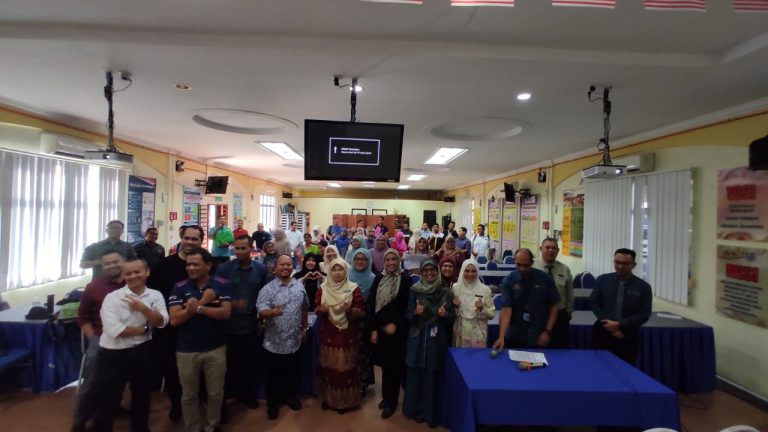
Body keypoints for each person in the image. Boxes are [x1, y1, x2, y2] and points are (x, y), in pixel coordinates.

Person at [91, 258, 168, 432]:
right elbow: (114, 330)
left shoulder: (155, 295)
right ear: (123, 276)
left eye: (137, 271)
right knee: (107, 400)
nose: (133, 276)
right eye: (128, 273)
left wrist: (143, 309)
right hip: (112, 354)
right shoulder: (113, 298)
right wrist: (146, 327)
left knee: (142, 396)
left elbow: (162, 322)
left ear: (147, 272)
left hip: (141, 351)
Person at [169, 247, 232, 432]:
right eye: (188, 264)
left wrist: (196, 308)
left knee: (215, 393)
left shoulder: (222, 283)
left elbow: (225, 313)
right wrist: (204, 303)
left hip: (215, 348)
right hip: (186, 350)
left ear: (208, 265)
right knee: (189, 395)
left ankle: (212, 425)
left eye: (195, 264)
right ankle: (192, 428)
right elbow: (174, 320)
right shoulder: (179, 287)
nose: (190, 268)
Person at [147, 225, 205, 422]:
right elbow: (152, 293)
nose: (189, 242)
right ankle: (176, 404)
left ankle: (198, 402)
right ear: (181, 238)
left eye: (194, 239)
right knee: (172, 369)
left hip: (197, 326)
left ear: (201, 241)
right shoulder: (164, 265)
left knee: (198, 369)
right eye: (186, 238)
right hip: (169, 328)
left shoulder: (206, 264)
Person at [72, 251, 126, 432]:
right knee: (92, 381)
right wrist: (93, 339)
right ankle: (80, 420)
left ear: (123, 262)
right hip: (101, 338)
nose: (112, 266)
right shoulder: (94, 286)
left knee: (124, 378)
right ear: (102, 267)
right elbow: (83, 316)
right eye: (107, 263)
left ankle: (114, 409)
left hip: (129, 338)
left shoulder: (134, 281)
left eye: (115, 262)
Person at [215, 236, 267, 410]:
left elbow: (264, 296)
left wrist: (262, 319)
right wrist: (232, 303)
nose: (239, 252)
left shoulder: (260, 269)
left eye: (243, 248)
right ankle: (230, 393)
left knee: (249, 363)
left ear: (251, 248)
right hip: (227, 326)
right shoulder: (223, 269)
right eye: (236, 248)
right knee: (229, 364)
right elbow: (215, 293)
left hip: (250, 325)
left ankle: (248, 395)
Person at [256, 255, 309, 420]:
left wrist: (305, 328)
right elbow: (261, 311)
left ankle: (291, 397)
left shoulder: (299, 286)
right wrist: (271, 312)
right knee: (273, 377)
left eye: (288, 264)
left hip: (294, 341)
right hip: (274, 343)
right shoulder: (267, 289)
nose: (286, 267)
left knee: (292, 373)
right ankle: (272, 404)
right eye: (282, 264)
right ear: (275, 267)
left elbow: (304, 308)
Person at [402, 258, 454, 427]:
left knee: (433, 375)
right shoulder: (414, 291)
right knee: (417, 375)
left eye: (433, 270)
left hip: (436, 340)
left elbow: (451, 319)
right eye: (426, 271)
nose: (430, 273)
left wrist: (443, 315)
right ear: (421, 273)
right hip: (418, 338)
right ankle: (416, 410)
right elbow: (407, 315)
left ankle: (432, 412)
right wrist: (415, 313)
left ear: (437, 271)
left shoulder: (445, 292)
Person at [315, 258, 366, 414]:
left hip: (346, 334)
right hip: (328, 333)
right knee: (329, 367)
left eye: (340, 269)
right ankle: (329, 400)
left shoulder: (353, 288)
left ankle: (345, 402)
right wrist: (321, 310)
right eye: (334, 270)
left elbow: (361, 311)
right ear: (329, 272)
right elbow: (317, 307)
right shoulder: (323, 288)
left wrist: (349, 310)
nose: (337, 273)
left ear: (346, 271)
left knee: (345, 368)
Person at [367, 249, 413, 419]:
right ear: (384, 262)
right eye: (388, 260)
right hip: (381, 330)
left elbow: (408, 307)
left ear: (399, 260)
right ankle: (386, 397)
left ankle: (392, 402)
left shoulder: (406, 279)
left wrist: (397, 325)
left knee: (395, 366)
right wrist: (372, 329)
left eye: (394, 259)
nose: (392, 263)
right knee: (385, 366)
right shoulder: (379, 278)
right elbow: (372, 304)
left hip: (398, 330)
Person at [591, 248, 652, 364]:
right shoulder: (602, 280)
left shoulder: (643, 287)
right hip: (602, 332)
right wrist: (608, 324)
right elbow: (594, 303)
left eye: (625, 263)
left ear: (634, 265)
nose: (620, 266)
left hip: (627, 335)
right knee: (598, 367)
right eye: (617, 262)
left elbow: (645, 314)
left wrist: (620, 325)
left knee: (626, 370)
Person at [492, 249, 560, 350]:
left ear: (532, 263)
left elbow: (555, 305)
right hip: (515, 335)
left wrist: (548, 331)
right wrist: (501, 336)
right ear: (514, 262)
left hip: (539, 334)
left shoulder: (545, 279)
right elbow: (506, 309)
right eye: (518, 265)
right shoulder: (509, 281)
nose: (522, 268)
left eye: (526, 265)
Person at [533, 238, 574, 348]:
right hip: (538, 316)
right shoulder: (532, 267)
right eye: (547, 247)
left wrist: (568, 313)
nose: (550, 250)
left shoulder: (564, 269)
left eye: (553, 248)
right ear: (541, 249)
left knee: (560, 351)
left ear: (558, 250)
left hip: (560, 318)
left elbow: (569, 293)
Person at [348, 248, 376, 397]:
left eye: (363, 259)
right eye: (357, 259)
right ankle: (348, 382)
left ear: (368, 261)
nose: (359, 261)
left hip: (364, 321)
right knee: (348, 352)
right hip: (347, 319)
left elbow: (374, 303)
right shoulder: (347, 276)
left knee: (362, 353)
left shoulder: (373, 279)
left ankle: (362, 384)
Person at [452, 259, 495, 348]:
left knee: (477, 359)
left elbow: (491, 314)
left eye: (473, 271)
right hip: (460, 333)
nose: (470, 274)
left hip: (478, 334)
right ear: (462, 271)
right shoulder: (456, 288)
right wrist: (455, 307)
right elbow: (451, 313)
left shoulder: (485, 290)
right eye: (467, 271)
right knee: (460, 358)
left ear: (477, 272)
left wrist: (482, 309)